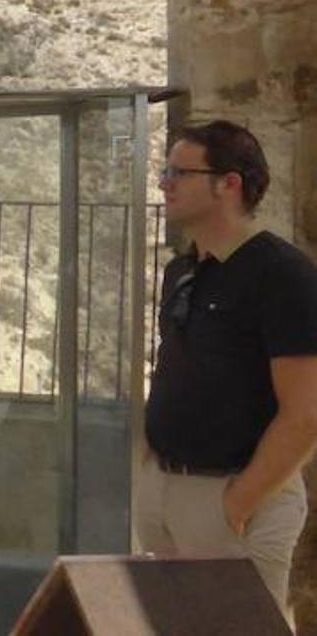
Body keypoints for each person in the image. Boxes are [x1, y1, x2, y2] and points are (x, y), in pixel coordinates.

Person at [140, 120, 317, 624]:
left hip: (231, 498)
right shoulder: (184, 270)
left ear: (229, 183)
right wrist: (151, 468)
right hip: (166, 491)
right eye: (165, 170)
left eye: (180, 172)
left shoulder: (283, 275)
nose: (164, 183)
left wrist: (237, 504)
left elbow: (305, 414)